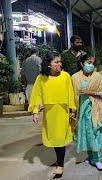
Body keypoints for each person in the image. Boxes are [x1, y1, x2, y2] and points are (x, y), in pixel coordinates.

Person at [28, 51, 76, 179]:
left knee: (60, 139)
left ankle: (60, 165)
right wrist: (35, 111)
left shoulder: (65, 76)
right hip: (49, 113)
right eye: (56, 62)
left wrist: (72, 109)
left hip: (62, 112)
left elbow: (70, 93)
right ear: (49, 65)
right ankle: (59, 160)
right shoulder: (41, 78)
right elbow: (36, 95)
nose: (59, 64)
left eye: (60, 61)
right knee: (54, 139)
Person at [72, 54, 102, 171]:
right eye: (88, 62)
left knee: (95, 133)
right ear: (82, 63)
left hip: (95, 109)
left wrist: (89, 92)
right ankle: (91, 156)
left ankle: (97, 159)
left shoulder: (98, 77)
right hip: (82, 110)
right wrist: (73, 110)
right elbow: (72, 94)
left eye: (92, 63)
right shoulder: (74, 77)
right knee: (86, 134)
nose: (91, 65)